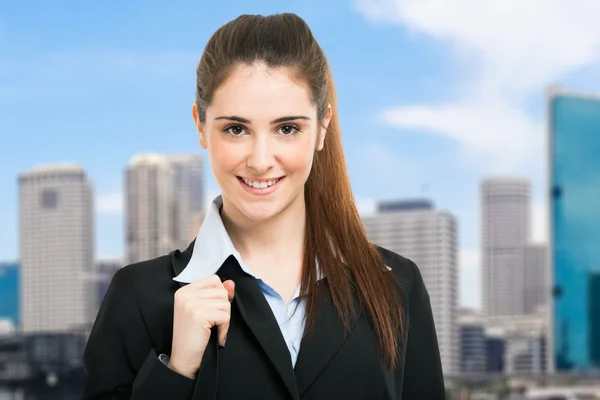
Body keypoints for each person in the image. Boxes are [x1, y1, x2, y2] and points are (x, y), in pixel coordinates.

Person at [82, 12, 445, 400]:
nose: (260, 159)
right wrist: (176, 371)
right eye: (236, 129)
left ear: (323, 127)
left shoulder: (395, 285)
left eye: (287, 128)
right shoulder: (138, 298)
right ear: (200, 125)